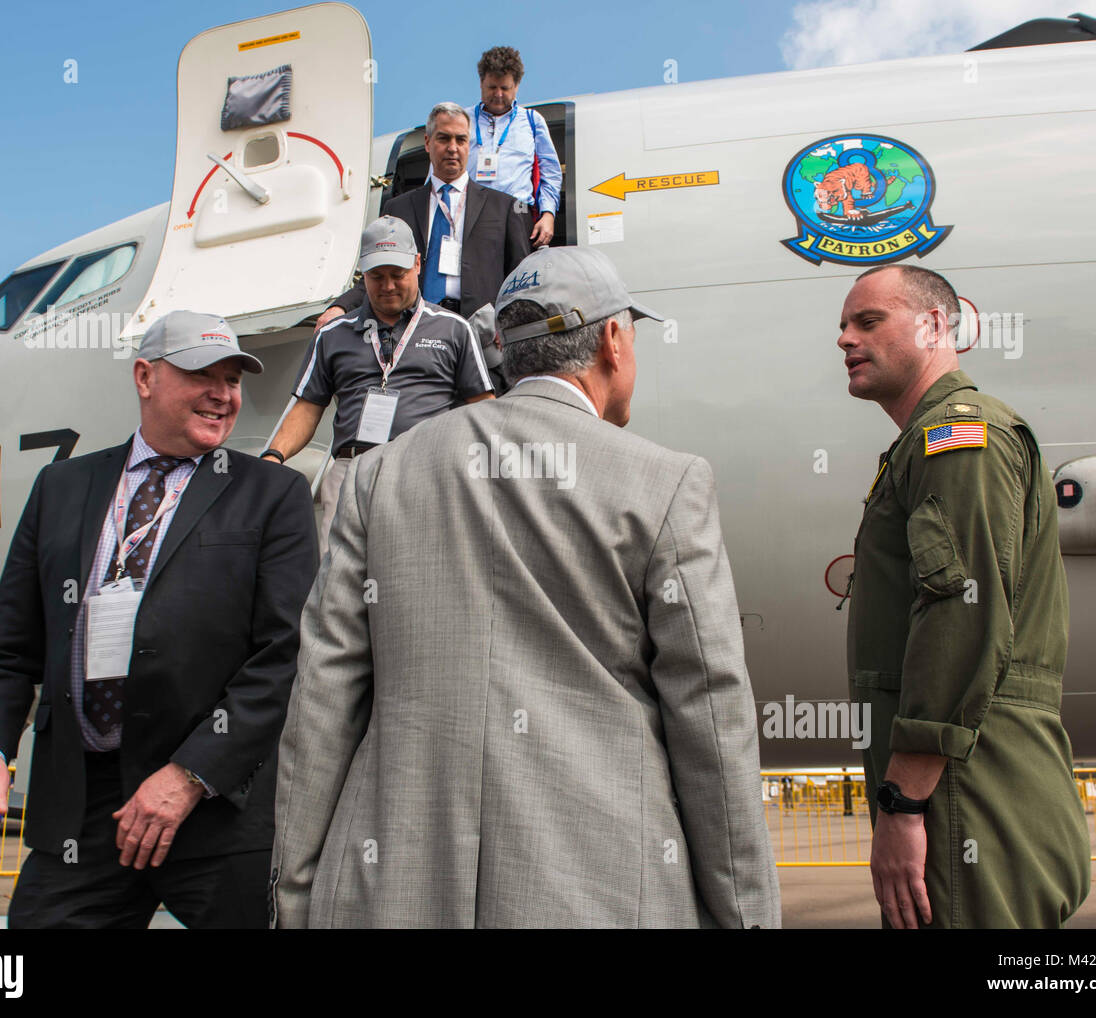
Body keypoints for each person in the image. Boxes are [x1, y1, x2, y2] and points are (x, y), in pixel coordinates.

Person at [271, 247, 780, 928]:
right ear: (612, 340)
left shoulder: (376, 477)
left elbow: (322, 702)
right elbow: (712, 722)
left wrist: (295, 893)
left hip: (384, 893)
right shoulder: (666, 483)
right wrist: (744, 914)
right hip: (600, 893)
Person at [0, 311, 317, 928]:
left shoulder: (271, 494)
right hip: (83, 808)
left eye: (232, 379)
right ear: (146, 377)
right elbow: (9, 649)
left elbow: (286, 654)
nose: (222, 394)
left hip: (214, 806)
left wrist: (189, 775)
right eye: (202, 374)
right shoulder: (61, 487)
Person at [838, 264, 1090, 929]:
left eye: (868, 321)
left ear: (934, 325)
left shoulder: (959, 437)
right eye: (842, 325)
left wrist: (905, 803)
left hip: (963, 786)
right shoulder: (927, 441)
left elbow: (961, 615)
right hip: (961, 780)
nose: (845, 339)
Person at [263, 216, 495, 554]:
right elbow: (308, 406)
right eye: (376, 276)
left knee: (425, 576)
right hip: (351, 473)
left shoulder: (454, 329)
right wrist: (274, 456)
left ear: (417, 264)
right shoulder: (333, 334)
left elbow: (484, 407)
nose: (387, 286)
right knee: (337, 585)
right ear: (362, 274)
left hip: (427, 471)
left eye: (397, 275)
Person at [315, 103, 531, 333]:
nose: (452, 148)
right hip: (416, 333)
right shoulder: (399, 208)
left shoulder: (503, 207)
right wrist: (339, 307)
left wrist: (510, 322)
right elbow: (377, 274)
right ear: (427, 143)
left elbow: (523, 279)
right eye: (443, 139)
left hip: (482, 335)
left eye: (461, 140)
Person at [467, 45, 563, 249]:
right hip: (471, 214)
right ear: (481, 82)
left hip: (517, 212)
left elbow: (551, 173)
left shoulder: (531, 121)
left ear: (517, 86)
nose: (499, 94)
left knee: (518, 278)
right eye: (492, 87)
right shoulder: (462, 120)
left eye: (505, 88)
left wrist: (548, 214)